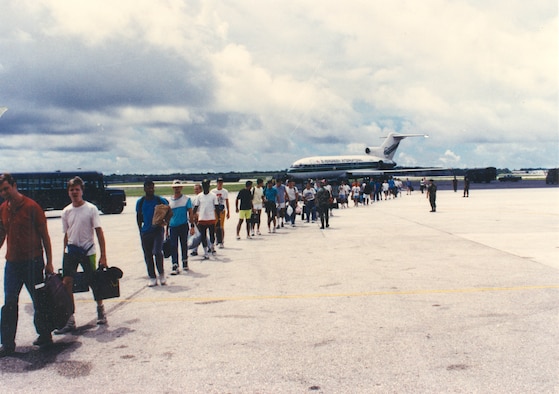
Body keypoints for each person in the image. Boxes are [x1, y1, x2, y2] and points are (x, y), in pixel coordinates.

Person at [0, 173, 54, 356]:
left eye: (6, 188)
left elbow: (45, 237)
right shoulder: (3, 209)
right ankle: (7, 344)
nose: (4, 193)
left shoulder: (32, 207)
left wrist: (49, 263)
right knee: (9, 303)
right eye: (1, 190)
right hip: (12, 265)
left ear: (15, 186)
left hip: (33, 263)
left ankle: (45, 335)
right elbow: (1, 234)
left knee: (39, 300)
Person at [54, 176, 108, 335]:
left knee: (93, 281)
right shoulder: (66, 211)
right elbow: (67, 234)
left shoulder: (91, 209)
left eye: (77, 189)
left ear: (82, 191)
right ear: (68, 192)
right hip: (71, 251)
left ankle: (100, 309)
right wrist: (64, 252)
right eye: (71, 190)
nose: (74, 192)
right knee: (66, 283)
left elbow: (99, 232)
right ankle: (70, 319)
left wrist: (103, 255)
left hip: (88, 251)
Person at [137, 180, 169, 287]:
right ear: (144, 189)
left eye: (152, 188)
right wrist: (140, 231)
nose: (151, 190)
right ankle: (152, 276)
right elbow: (139, 216)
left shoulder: (160, 200)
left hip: (157, 231)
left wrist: (165, 222)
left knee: (157, 251)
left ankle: (161, 274)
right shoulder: (141, 202)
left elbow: (169, 211)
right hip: (146, 232)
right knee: (148, 255)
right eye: (149, 188)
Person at [168, 180, 193, 275]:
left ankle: (184, 261)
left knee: (183, 244)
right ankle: (175, 264)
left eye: (178, 187)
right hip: (173, 226)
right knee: (173, 245)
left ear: (181, 188)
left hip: (183, 225)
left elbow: (190, 212)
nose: (176, 189)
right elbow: (168, 215)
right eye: (175, 187)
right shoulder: (169, 201)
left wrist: (192, 226)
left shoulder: (186, 199)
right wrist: (167, 229)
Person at [192, 180, 218, 259]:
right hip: (202, 218)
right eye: (204, 186)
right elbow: (195, 207)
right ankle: (206, 252)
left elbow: (216, 207)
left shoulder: (213, 195)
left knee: (212, 234)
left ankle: (212, 246)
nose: (205, 187)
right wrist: (192, 217)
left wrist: (218, 218)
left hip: (211, 218)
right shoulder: (199, 196)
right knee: (203, 236)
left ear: (209, 186)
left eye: (206, 185)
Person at [211, 177, 230, 249]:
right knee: (215, 226)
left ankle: (222, 241)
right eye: (219, 182)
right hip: (215, 210)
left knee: (221, 226)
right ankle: (217, 239)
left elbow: (227, 201)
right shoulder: (213, 191)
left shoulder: (225, 191)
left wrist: (228, 211)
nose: (220, 184)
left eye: (221, 182)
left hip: (222, 210)